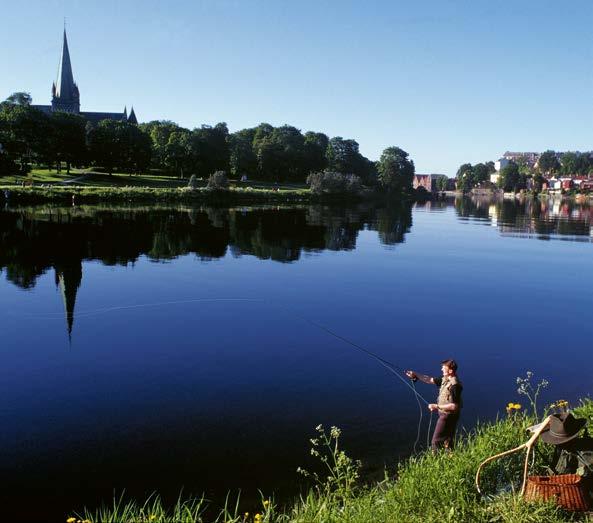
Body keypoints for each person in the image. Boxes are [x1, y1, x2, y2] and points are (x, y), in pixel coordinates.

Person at [405, 359, 463, 450]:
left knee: (435, 441)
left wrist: (436, 406)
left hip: (448, 416)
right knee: (448, 440)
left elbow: (454, 406)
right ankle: (450, 458)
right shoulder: (445, 379)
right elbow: (429, 380)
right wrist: (415, 374)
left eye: (444, 368)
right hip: (446, 415)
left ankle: (435, 460)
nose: (441, 369)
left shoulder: (455, 385)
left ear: (450, 371)